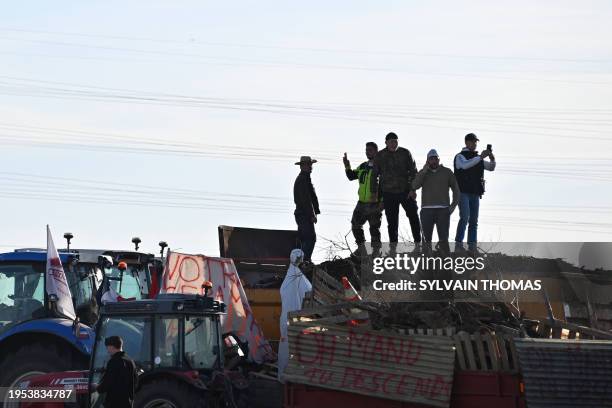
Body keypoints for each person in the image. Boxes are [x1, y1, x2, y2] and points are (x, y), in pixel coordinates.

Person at [371, 132, 421, 244]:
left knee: (413, 216)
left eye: (395, 141)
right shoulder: (380, 155)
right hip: (388, 194)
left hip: (405, 192)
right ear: (386, 142)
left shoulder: (405, 153)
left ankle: (419, 244)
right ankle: (394, 248)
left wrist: (413, 189)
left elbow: (413, 171)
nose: (394, 144)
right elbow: (374, 176)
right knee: (392, 222)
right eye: (391, 142)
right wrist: (375, 196)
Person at [453, 133, 496, 249]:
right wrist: (481, 157)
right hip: (462, 192)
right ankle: (458, 244)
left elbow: (491, 167)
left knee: (473, 220)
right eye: (472, 141)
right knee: (465, 217)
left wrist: (492, 157)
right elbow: (465, 165)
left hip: (475, 193)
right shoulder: (460, 156)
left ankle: (472, 245)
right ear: (466, 142)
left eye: (476, 142)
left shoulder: (478, 158)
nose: (475, 144)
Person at [412, 149, 460, 252]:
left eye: (435, 159)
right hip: (426, 210)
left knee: (443, 240)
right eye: (431, 159)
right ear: (427, 161)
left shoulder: (447, 172)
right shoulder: (423, 172)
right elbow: (414, 186)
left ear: (438, 159)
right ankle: (426, 266)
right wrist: (423, 172)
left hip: (443, 210)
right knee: (426, 241)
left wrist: (453, 205)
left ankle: (445, 265)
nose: (433, 161)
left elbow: (456, 189)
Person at [343, 142, 383, 248]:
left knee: (374, 230)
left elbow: (386, 186)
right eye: (366, 150)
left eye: (370, 150)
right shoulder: (363, 166)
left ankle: (375, 254)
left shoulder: (381, 167)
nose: (367, 152)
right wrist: (347, 165)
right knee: (355, 226)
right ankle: (362, 249)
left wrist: (382, 202)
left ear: (376, 151)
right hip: (361, 203)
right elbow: (351, 176)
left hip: (375, 204)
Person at [96, 335, 137, 408]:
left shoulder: (113, 362)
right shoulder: (131, 361)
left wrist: (97, 387)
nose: (107, 350)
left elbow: (107, 382)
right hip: (128, 403)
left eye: (107, 347)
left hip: (114, 403)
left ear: (112, 346)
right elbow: (135, 381)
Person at [293, 156, 320, 261]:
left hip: (302, 214)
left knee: (306, 238)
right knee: (310, 238)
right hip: (303, 214)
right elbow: (306, 200)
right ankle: (303, 262)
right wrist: (312, 214)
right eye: (308, 164)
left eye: (311, 164)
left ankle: (303, 261)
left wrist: (315, 211)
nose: (310, 167)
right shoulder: (303, 179)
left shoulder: (305, 178)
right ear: (302, 166)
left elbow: (310, 198)